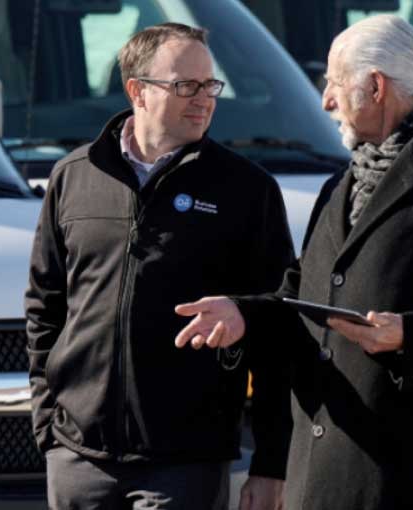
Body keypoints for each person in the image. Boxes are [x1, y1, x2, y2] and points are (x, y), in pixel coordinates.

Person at [174, 15, 413, 510]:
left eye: (335, 83)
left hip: (406, 482)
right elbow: (301, 297)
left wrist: (409, 335)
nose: (326, 101)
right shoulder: (338, 186)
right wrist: (242, 313)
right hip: (317, 477)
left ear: (376, 87)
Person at [25, 22, 293, 510]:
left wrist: (272, 462)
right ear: (138, 92)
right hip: (78, 458)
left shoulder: (247, 190)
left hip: (186, 462)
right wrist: (49, 428)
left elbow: (280, 325)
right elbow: (45, 308)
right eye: (184, 86)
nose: (203, 99)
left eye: (210, 85)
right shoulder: (74, 176)